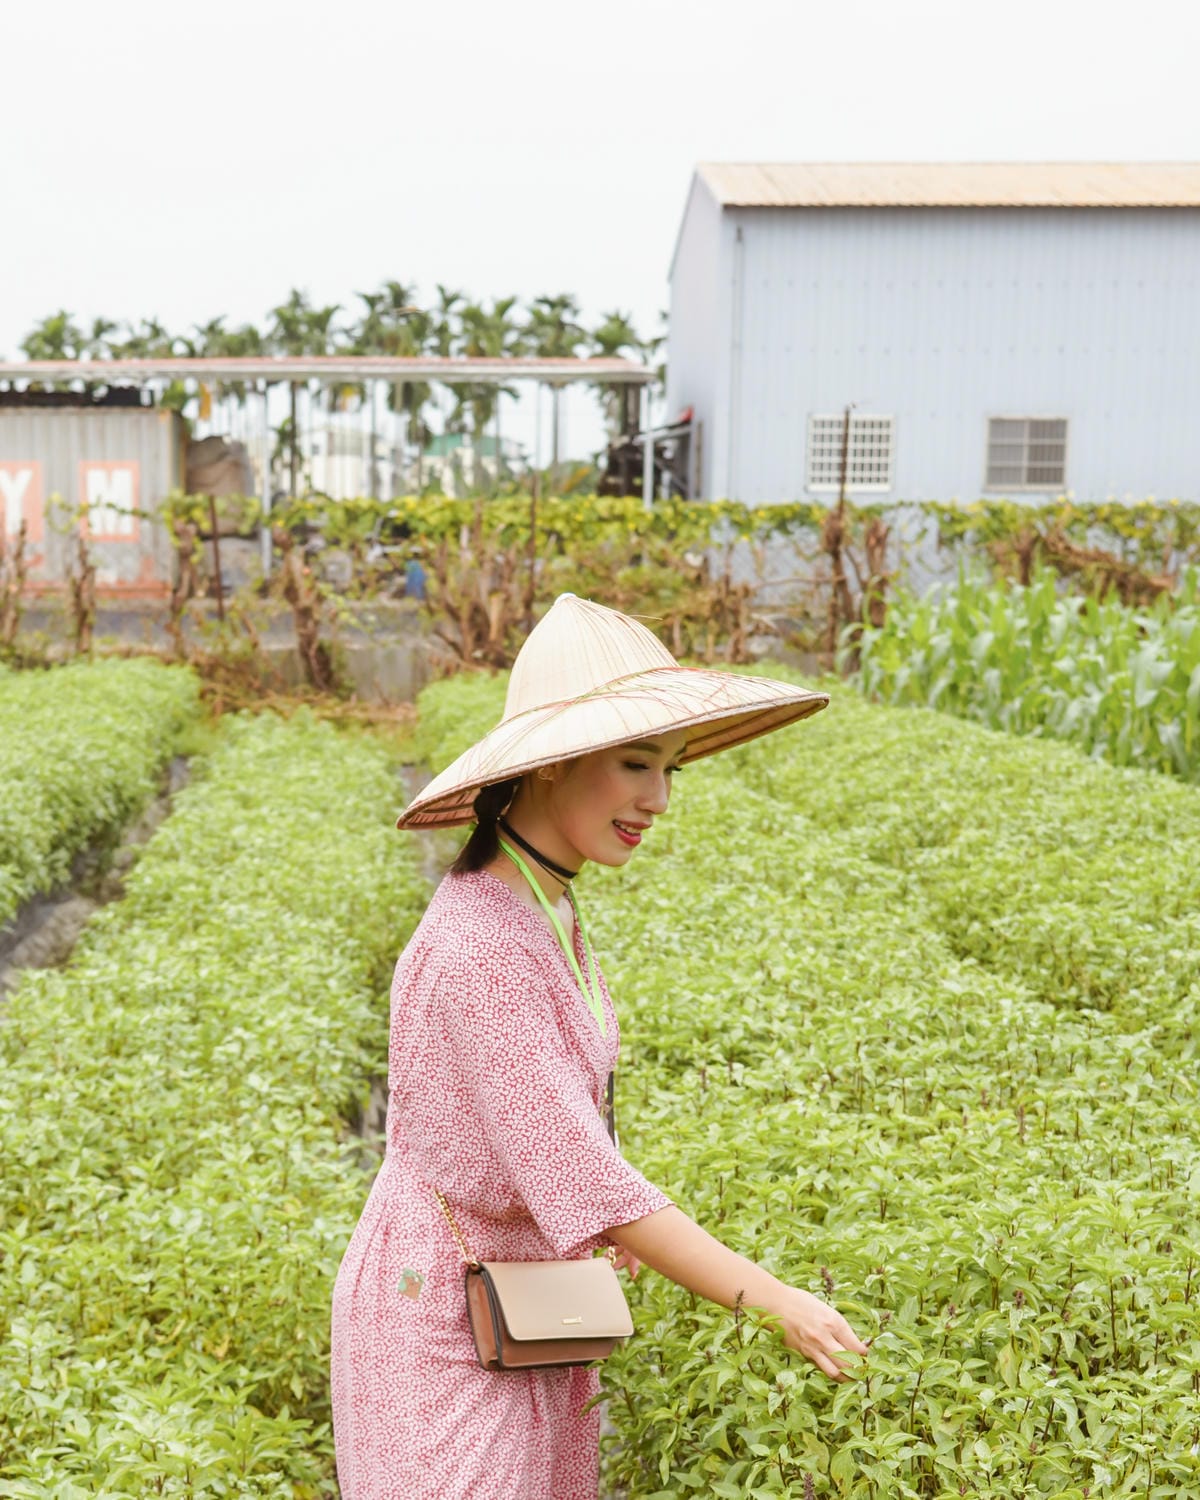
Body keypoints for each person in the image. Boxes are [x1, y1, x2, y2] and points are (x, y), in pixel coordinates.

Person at [330, 593, 869, 1499]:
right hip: (444, 1322)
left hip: (519, 1301)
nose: (656, 799)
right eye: (633, 764)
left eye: (668, 768)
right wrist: (778, 1301)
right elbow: (587, 1177)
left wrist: (574, 1215)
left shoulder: (545, 905)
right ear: (547, 768)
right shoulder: (481, 945)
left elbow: (560, 1140)